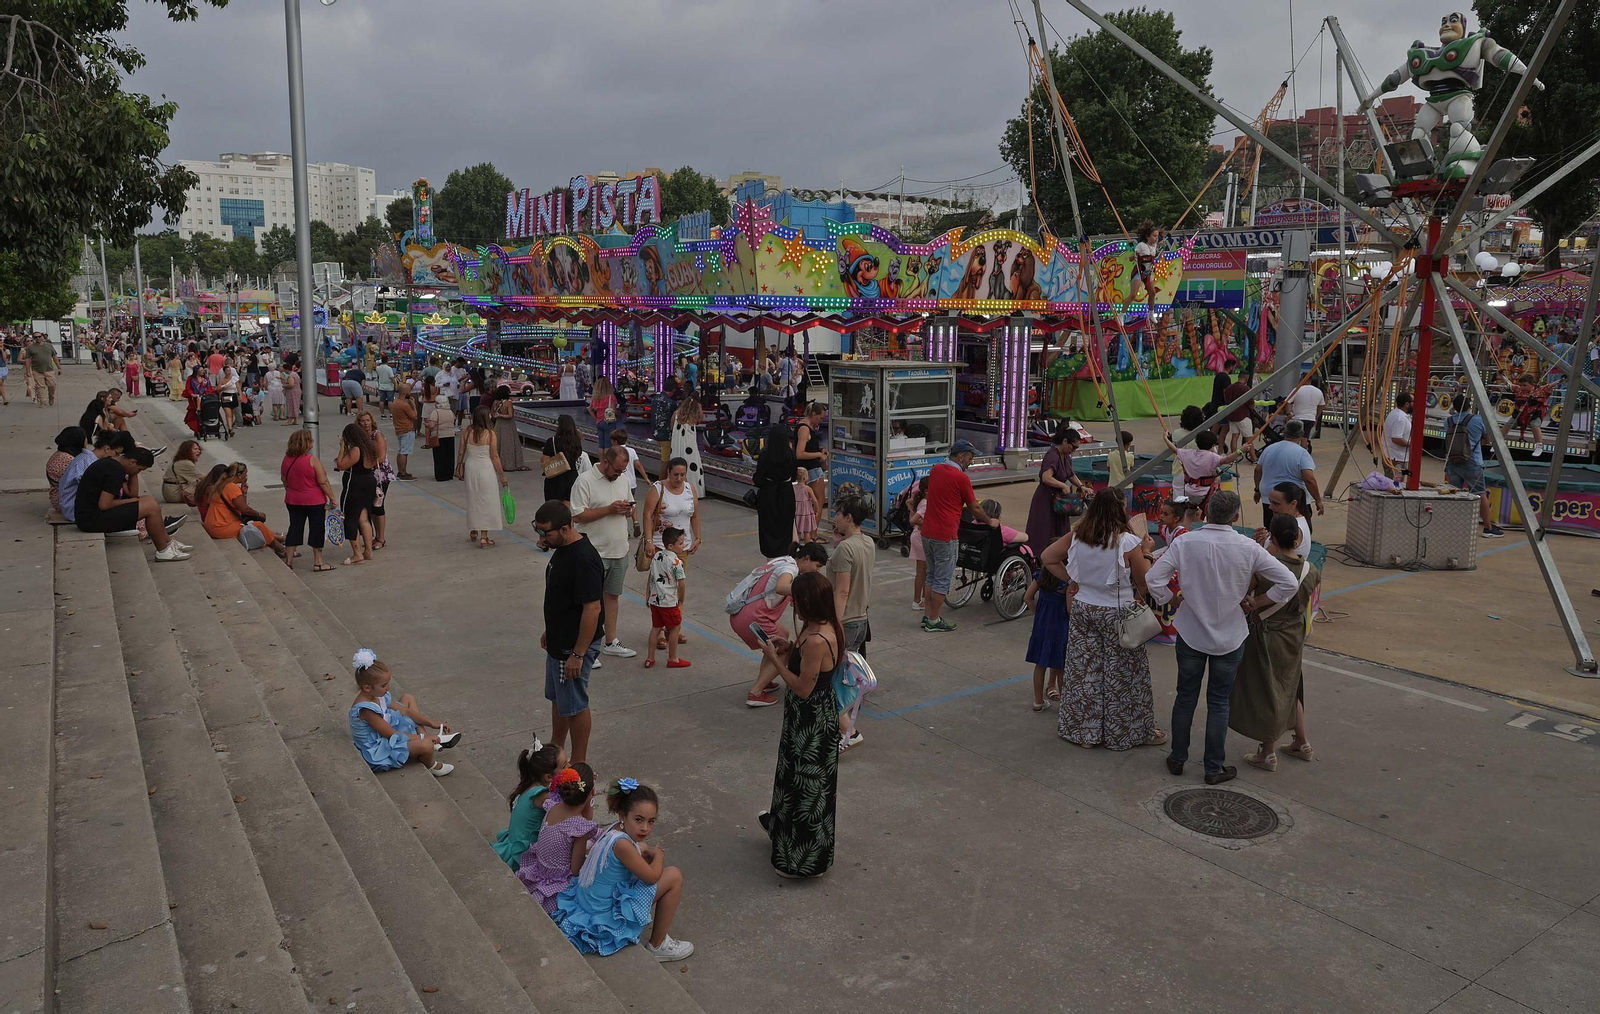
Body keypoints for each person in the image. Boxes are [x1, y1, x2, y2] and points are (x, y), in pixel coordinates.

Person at [1146, 490, 1299, 784]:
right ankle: (1213, 768)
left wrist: (1171, 599)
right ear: (1236, 518)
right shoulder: (1248, 548)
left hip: (1191, 633)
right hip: (1230, 635)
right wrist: (1258, 601)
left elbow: (1154, 579)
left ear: (1205, 513)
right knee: (1219, 702)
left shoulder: (1185, 542)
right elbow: (1288, 582)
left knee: (1186, 697)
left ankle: (1178, 757)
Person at [1049, 489, 1165, 751]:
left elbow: (1048, 557)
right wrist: (1146, 551)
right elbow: (1144, 584)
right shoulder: (1126, 542)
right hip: (1117, 612)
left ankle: (1084, 731)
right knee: (1123, 675)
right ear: (1120, 510)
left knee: (1085, 672)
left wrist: (1072, 580)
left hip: (1083, 607)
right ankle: (1123, 732)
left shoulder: (1078, 534)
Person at [755, 572, 842, 879]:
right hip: (804, 716)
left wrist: (774, 660)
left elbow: (804, 687)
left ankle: (800, 861)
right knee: (791, 775)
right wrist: (788, 647)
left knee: (807, 785)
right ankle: (780, 830)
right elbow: (806, 662)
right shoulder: (814, 628)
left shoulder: (819, 639)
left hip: (812, 720)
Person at [552, 779, 692, 962]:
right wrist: (658, 856)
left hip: (589, 906)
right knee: (673, 875)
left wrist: (644, 850)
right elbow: (651, 877)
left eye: (651, 822)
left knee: (641, 846)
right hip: (604, 918)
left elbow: (637, 848)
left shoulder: (614, 830)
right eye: (639, 820)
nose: (645, 828)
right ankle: (658, 946)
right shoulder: (622, 845)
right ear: (622, 814)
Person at [1230, 513, 1321, 772]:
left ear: (1272, 536)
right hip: (1293, 635)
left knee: (1266, 690)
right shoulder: (1311, 570)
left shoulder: (1266, 567)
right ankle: (1302, 742)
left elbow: (1243, 592)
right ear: (1297, 537)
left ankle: (1267, 752)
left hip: (1265, 632)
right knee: (1290, 687)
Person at [535, 500, 604, 765]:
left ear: (565, 528)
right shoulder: (562, 547)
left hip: (572, 649)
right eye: (538, 530)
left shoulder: (583, 559)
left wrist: (578, 653)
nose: (541, 537)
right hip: (558, 641)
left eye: (545, 532)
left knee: (575, 705)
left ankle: (578, 763)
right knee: (558, 699)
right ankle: (556, 750)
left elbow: (593, 609)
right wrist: (549, 630)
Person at [733, 544, 830, 707]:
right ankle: (756, 692)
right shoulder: (790, 569)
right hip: (754, 618)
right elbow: (781, 587)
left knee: (782, 633)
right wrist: (806, 589)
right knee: (783, 649)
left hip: (743, 613)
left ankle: (766, 679)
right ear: (806, 559)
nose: (817, 571)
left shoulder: (784, 560)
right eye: (817, 566)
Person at [920, 440, 996, 633]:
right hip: (945, 535)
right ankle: (935, 619)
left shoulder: (936, 469)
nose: (971, 462)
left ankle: (928, 615)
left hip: (927, 531)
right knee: (942, 579)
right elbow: (975, 508)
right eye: (970, 458)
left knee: (931, 574)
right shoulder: (961, 478)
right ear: (961, 456)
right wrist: (990, 521)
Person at [571, 445, 638, 659]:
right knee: (590, 602)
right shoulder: (585, 481)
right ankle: (588, 647)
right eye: (617, 470)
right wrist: (609, 509)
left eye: (622, 471)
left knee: (611, 597)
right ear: (606, 462)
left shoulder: (623, 480)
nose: (619, 474)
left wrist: (628, 510)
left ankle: (610, 641)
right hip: (593, 552)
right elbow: (578, 516)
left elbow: (629, 508)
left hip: (619, 550)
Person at [347, 648, 457, 777]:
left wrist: (430, 723)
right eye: (383, 685)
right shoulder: (366, 710)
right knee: (425, 744)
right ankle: (430, 763)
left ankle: (426, 738)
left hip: (385, 729)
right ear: (367, 688)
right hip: (378, 747)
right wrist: (424, 739)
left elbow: (405, 711)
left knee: (408, 698)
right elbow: (392, 734)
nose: (387, 688)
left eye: (388, 683)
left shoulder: (378, 695)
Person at [77, 446, 192, 561]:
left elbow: (132, 493)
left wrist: (133, 473)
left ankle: (169, 542)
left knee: (151, 501)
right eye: (140, 469)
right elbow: (104, 504)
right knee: (151, 507)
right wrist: (131, 501)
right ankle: (163, 551)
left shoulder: (115, 464)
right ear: (132, 462)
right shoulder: (114, 470)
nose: (138, 472)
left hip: (91, 515)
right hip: (91, 520)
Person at [516, 761, 597, 911]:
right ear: (591, 793)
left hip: (538, 873)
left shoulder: (552, 805)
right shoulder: (579, 827)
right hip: (557, 887)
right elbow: (576, 870)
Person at [493, 740, 564, 871]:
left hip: (515, 841)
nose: (570, 766)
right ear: (549, 777)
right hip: (521, 853)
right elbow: (565, 815)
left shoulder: (530, 785)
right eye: (564, 766)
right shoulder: (542, 795)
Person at [1444, 393, 1504, 537]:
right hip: (1471, 461)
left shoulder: (1448, 421)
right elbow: (1487, 439)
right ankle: (1488, 528)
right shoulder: (1477, 420)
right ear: (1468, 405)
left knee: (1454, 493)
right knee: (1480, 494)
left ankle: (1453, 526)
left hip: (1452, 461)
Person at [201, 463, 288, 560]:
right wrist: (258, 514)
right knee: (259, 525)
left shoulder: (222, 484)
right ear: (239, 475)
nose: (246, 476)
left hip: (213, 525)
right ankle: (281, 549)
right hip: (220, 527)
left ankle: (280, 542)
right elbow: (245, 509)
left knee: (256, 526)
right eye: (245, 473)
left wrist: (244, 493)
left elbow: (240, 508)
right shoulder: (232, 487)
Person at [1025, 424, 1089, 551]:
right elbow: (1046, 477)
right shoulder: (1052, 455)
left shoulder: (1065, 456)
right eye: (1074, 446)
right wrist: (1062, 485)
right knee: (1045, 530)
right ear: (1065, 441)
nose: (1074, 450)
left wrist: (1082, 486)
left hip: (1059, 499)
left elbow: (1070, 474)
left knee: (1060, 530)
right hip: (1047, 498)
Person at [829, 492, 876, 665]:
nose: (835, 519)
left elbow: (842, 591)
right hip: (861, 620)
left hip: (845, 620)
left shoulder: (845, 548)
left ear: (848, 517)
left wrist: (834, 623)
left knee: (836, 670)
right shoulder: (868, 542)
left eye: (838, 514)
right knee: (850, 671)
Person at [281, 429, 336, 573]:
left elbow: (284, 480)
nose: (312, 443)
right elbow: (323, 482)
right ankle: (318, 562)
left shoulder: (286, 459)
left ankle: (289, 561)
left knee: (295, 527)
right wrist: (332, 497)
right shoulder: (312, 460)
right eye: (310, 440)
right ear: (305, 443)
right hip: (314, 500)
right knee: (316, 529)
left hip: (293, 500)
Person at [457, 404, 509, 548]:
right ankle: (484, 537)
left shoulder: (467, 431)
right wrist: (502, 476)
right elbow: (494, 456)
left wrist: (459, 465)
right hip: (486, 469)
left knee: (473, 498)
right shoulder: (490, 434)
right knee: (486, 500)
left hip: (471, 467)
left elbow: (461, 452)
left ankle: (473, 529)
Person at [1253, 420, 1323, 525]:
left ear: (1285, 433)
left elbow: (1258, 470)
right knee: (1299, 530)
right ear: (1302, 434)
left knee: (1271, 528)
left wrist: (1257, 490)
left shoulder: (1269, 449)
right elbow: (1309, 479)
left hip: (1269, 497)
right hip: (1292, 499)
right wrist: (1318, 500)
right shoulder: (1302, 453)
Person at [644, 527, 690, 669]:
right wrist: (681, 599)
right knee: (675, 627)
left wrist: (647, 595)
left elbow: (651, 577)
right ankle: (673, 658)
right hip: (668, 601)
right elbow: (681, 584)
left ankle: (650, 658)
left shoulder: (657, 556)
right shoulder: (676, 562)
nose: (683, 545)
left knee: (656, 628)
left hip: (655, 600)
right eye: (681, 543)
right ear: (671, 546)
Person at [1025, 566, 1069, 712]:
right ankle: (1064, 705)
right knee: (1060, 666)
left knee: (1040, 665)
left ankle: (1038, 701)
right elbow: (1070, 609)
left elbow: (1027, 598)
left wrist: (1039, 613)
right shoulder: (1066, 581)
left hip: (1042, 626)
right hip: (1060, 627)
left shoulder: (1040, 576)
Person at [335, 423, 379, 566]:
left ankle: (357, 553)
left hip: (355, 485)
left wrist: (342, 447)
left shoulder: (356, 450)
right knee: (364, 517)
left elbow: (340, 465)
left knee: (351, 518)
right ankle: (368, 551)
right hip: (369, 481)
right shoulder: (370, 447)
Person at [643, 457, 700, 560]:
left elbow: (695, 516)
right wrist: (649, 541)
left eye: (682, 475)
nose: (679, 479)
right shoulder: (658, 488)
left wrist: (698, 538)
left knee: (680, 576)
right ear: (668, 472)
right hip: (661, 547)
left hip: (682, 547)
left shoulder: (690, 489)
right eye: (676, 475)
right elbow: (647, 516)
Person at [753, 425, 797, 559]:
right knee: (785, 527)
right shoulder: (790, 454)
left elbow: (759, 479)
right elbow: (794, 476)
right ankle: (785, 556)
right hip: (786, 493)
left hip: (768, 494)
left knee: (768, 528)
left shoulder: (765, 454)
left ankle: (770, 559)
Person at [1167, 430, 1240, 507]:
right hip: (1206, 493)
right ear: (1212, 445)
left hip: (1189, 492)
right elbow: (1226, 460)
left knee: (1189, 513)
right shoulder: (1212, 457)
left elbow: (1174, 449)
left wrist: (1165, 438)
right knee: (1209, 512)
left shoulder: (1187, 453)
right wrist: (1240, 451)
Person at [1253, 482, 1314, 558]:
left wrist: (1260, 544)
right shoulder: (1291, 523)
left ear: (1293, 504)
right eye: (1270, 501)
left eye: (1276, 503)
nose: (1270, 507)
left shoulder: (1293, 528)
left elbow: (1271, 557)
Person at [542, 413, 589, 505]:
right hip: (572, 477)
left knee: (554, 507)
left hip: (555, 478)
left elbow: (545, 461)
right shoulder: (576, 441)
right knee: (568, 507)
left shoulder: (552, 441)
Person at [611, 429, 650, 537]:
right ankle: (636, 522)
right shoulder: (632, 451)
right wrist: (646, 478)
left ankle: (625, 529)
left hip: (620, 483)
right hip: (632, 483)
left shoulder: (613, 451)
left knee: (622, 506)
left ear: (614, 441)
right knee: (631, 503)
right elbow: (638, 465)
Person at [794, 402, 828, 514]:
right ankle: (813, 530)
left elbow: (808, 448)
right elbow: (800, 453)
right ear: (813, 414)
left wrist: (819, 450)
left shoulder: (807, 427)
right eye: (820, 418)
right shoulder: (804, 429)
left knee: (812, 502)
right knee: (818, 501)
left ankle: (810, 529)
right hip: (811, 469)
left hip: (808, 468)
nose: (821, 421)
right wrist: (819, 455)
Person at [47, 427, 88, 515]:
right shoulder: (68, 459)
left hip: (59, 497)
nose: (86, 441)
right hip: (65, 501)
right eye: (84, 438)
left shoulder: (62, 453)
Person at [670, 396, 705, 499]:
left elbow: (672, 427)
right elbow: (701, 419)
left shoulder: (676, 414)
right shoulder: (694, 418)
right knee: (692, 466)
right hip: (690, 445)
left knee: (676, 464)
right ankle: (695, 491)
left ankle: (676, 489)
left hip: (677, 444)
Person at [493, 385, 529, 472]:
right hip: (508, 425)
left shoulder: (495, 402)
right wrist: (502, 415)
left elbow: (493, 414)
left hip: (498, 425)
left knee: (498, 444)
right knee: (509, 445)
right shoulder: (508, 403)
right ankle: (509, 464)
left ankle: (497, 464)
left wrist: (498, 415)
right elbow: (510, 415)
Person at [907, 476, 929, 611]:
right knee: (922, 570)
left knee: (923, 570)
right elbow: (914, 520)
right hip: (920, 537)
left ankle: (922, 598)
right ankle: (917, 600)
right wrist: (927, 523)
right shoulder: (926, 503)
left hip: (918, 536)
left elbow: (909, 502)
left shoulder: (921, 499)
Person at [1381, 391, 1414, 480]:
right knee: (1395, 484)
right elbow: (1396, 438)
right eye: (1412, 402)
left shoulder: (1397, 414)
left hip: (1394, 456)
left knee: (1395, 483)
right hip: (1395, 458)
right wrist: (1411, 444)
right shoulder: (1400, 419)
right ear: (1407, 404)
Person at [426, 391, 457, 482]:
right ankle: (449, 474)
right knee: (449, 456)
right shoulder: (450, 412)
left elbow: (431, 425)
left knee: (440, 457)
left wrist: (427, 424)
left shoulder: (435, 412)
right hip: (450, 435)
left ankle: (441, 475)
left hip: (440, 436)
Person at [160, 440, 203, 505]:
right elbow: (202, 477)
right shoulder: (185, 463)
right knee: (205, 486)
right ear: (187, 451)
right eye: (195, 449)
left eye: (199, 449)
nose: (198, 451)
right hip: (174, 494)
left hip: (169, 492)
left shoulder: (180, 460)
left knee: (198, 483)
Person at [22, 334, 58, 407]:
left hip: (49, 369)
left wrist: (59, 367)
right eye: (35, 337)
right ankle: (43, 401)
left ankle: (51, 397)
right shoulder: (30, 348)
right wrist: (28, 371)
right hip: (36, 370)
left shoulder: (49, 346)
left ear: (42, 337)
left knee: (52, 385)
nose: (38, 338)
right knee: (40, 386)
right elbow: (27, 359)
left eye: (39, 336)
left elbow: (54, 356)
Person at [648, 385, 676, 479]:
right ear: (673, 391)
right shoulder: (671, 403)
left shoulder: (655, 398)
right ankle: (661, 482)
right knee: (665, 461)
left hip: (655, 431)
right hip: (665, 435)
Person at [391, 385, 418, 480]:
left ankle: (401, 471)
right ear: (406, 392)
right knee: (404, 452)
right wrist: (413, 405)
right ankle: (403, 473)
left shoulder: (395, 402)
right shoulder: (404, 405)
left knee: (401, 451)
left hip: (399, 429)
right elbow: (414, 416)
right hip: (407, 429)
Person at [1221, 375, 1253, 454]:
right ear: (1246, 378)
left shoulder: (1229, 388)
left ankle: (1233, 455)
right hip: (1243, 416)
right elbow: (1251, 403)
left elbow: (1226, 401)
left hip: (1232, 416)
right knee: (1249, 438)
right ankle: (1253, 457)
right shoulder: (1245, 388)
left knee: (1234, 436)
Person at [1107, 430, 1136, 514]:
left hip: (1112, 486)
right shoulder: (1130, 456)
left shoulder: (1111, 455)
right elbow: (1130, 469)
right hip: (1126, 487)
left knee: (1113, 511)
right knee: (1126, 511)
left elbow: (1108, 468)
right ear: (1128, 444)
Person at [590, 375, 621, 448]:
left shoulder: (595, 397)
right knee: (608, 445)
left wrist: (596, 418)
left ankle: (602, 459)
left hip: (599, 422)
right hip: (608, 422)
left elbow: (590, 409)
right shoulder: (611, 397)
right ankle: (607, 459)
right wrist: (619, 414)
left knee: (601, 445)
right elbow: (613, 410)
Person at [792, 466, 820, 543]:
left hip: (797, 513)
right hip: (806, 512)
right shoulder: (807, 488)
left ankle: (796, 547)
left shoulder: (793, 487)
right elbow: (815, 501)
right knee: (807, 532)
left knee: (797, 531)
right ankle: (807, 548)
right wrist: (816, 510)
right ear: (805, 478)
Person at [217, 356, 240, 432]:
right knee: (228, 413)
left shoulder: (234, 379)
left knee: (232, 413)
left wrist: (240, 395)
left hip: (233, 395)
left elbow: (238, 387)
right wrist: (224, 387)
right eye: (227, 371)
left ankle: (230, 425)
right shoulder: (222, 380)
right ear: (224, 372)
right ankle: (230, 428)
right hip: (226, 395)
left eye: (230, 371)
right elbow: (218, 389)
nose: (229, 372)